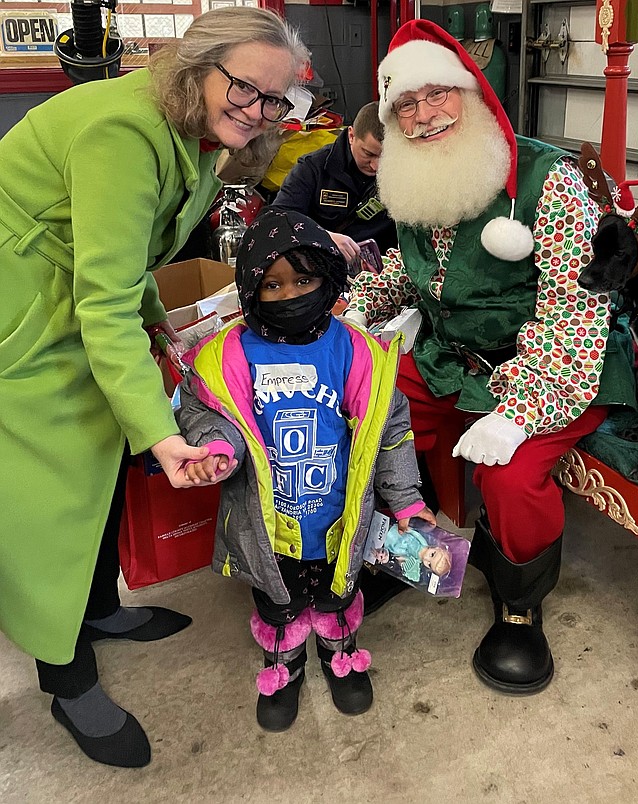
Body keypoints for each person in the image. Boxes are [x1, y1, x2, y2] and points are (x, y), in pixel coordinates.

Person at [0, 7, 309, 767]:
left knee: (104, 460)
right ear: (196, 67)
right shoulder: (125, 134)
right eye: (244, 87)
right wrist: (165, 435)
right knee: (53, 490)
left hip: (75, 296)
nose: (260, 110)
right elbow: (101, 297)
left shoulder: (201, 136)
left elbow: (131, 257)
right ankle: (64, 674)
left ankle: (99, 606)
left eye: (276, 99)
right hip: (24, 311)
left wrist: (162, 329)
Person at [346, 20, 636, 695]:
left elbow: (576, 312)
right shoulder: (415, 176)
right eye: (405, 105)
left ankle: (520, 602)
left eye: (436, 95)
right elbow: (409, 269)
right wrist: (357, 311)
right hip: (452, 355)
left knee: (510, 476)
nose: (422, 116)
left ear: (471, 91)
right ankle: (406, 549)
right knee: (359, 405)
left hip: (556, 365)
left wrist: (518, 413)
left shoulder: (548, 180)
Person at [176, 207, 435, 732]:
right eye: (271, 285)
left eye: (303, 279)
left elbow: (390, 429)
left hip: (338, 517)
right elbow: (203, 410)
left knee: (339, 594)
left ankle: (340, 653)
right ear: (250, 289)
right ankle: (283, 664)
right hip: (267, 523)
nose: (289, 294)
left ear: (327, 277)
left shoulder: (355, 350)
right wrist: (217, 450)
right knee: (278, 600)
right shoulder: (227, 354)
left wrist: (405, 498)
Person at [273, 101, 397, 263]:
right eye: (368, 154)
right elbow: (277, 219)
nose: (377, 166)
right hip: (324, 265)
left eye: (385, 156)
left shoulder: (405, 171)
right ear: (351, 136)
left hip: (384, 272)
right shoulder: (313, 168)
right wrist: (322, 237)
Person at [383, 525, 452, 583]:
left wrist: (402, 560)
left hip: (403, 549)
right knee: (394, 532)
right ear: (436, 548)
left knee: (394, 547)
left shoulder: (418, 560)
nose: (426, 558)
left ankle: (384, 542)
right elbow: (418, 536)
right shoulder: (424, 545)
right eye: (432, 555)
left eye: (429, 564)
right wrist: (410, 531)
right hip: (406, 538)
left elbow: (409, 559)